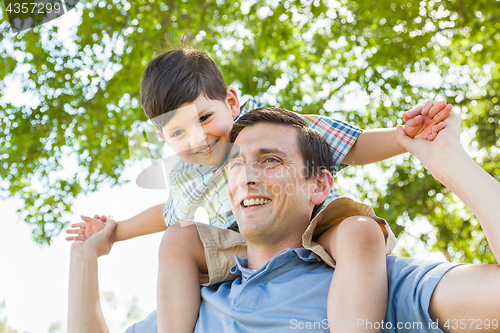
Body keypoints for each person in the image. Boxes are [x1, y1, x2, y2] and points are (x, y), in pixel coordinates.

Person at [66, 48, 451, 333]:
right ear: (162, 136)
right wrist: (114, 230)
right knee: (178, 238)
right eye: (179, 132)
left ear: (230, 101)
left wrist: (405, 140)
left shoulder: (267, 129)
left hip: (312, 223)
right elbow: (166, 213)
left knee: (359, 231)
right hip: (245, 245)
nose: (198, 139)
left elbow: (349, 146)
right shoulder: (186, 174)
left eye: (204, 118)